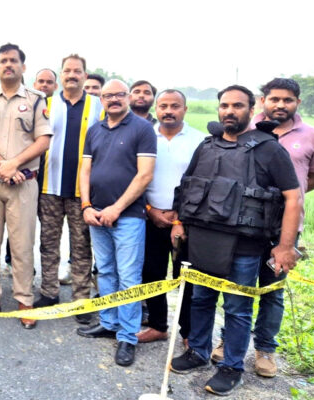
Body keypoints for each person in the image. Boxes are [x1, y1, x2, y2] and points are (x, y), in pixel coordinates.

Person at [170, 85, 301, 396]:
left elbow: (293, 198)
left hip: (244, 246)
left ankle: (232, 368)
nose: (230, 111)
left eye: (238, 105)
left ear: (252, 109)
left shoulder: (269, 149)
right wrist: (178, 223)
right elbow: (187, 187)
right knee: (201, 299)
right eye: (224, 105)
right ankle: (198, 351)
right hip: (203, 240)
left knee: (237, 308)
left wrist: (285, 247)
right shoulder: (207, 146)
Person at [211, 78, 314, 377]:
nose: (280, 105)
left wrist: (283, 202)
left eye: (287, 100)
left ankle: (265, 349)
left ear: (297, 102)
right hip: (244, 226)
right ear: (262, 102)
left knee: (272, 290)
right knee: (237, 286)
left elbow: (313, 178)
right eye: (274, 99)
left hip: (284, 229)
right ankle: (228, 340)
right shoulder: (244, 129)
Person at [0, 43, 52, 329]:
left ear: (23, 67)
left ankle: (24, 300)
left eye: (13, 60)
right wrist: (3, 164)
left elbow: (43, 140)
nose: (8, 65)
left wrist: (14, 163)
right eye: (3, 60)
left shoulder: (36, 99)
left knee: (22, 244)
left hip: (23, 183)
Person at [76, 79, 156, 367]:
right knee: (106, 271)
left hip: (128, 216)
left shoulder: (143, 129)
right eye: (107, 95)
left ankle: (128, 336)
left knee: (129, 277)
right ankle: (108, 322)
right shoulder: (94, 130)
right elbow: (85, 171)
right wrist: (86, 205)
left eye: (119, 95)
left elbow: (144, 175)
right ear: (101, 99)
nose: (113, 99)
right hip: (96, 214)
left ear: (128, 97)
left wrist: (116, 208)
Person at [34, 54, 104, 327]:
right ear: (60, 75)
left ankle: (80, 301)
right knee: (48, 244)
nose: (72, 75)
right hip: (49, 188)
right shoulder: (46, 104)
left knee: (82, 247)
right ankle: (49, 292)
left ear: (85, 75)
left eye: (77, 71)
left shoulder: (98, 105)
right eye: (67, 71)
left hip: (82, 192)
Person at [137, 90, 205, 346]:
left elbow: (202, 184)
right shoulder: (144, 136)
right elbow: (134, 177)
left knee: (186, 278)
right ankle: (157, 326)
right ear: (156, 109)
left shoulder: (200, 140)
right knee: (151, 273)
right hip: (150, 217)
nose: (168, 111)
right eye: (163, 106)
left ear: (185, 109)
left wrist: (180, 220)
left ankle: (188, 333)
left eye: (175, 106)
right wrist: (150, 210)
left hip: (186, 222)